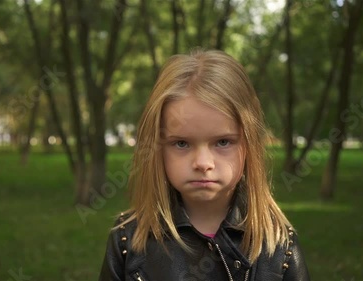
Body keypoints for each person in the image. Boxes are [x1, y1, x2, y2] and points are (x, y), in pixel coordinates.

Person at [99, 49, 310, 281]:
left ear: (248, 144)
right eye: (181, 143)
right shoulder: (129, 239)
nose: (202, 163)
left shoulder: (278, 244)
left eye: (222, 142)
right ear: (157, 147)